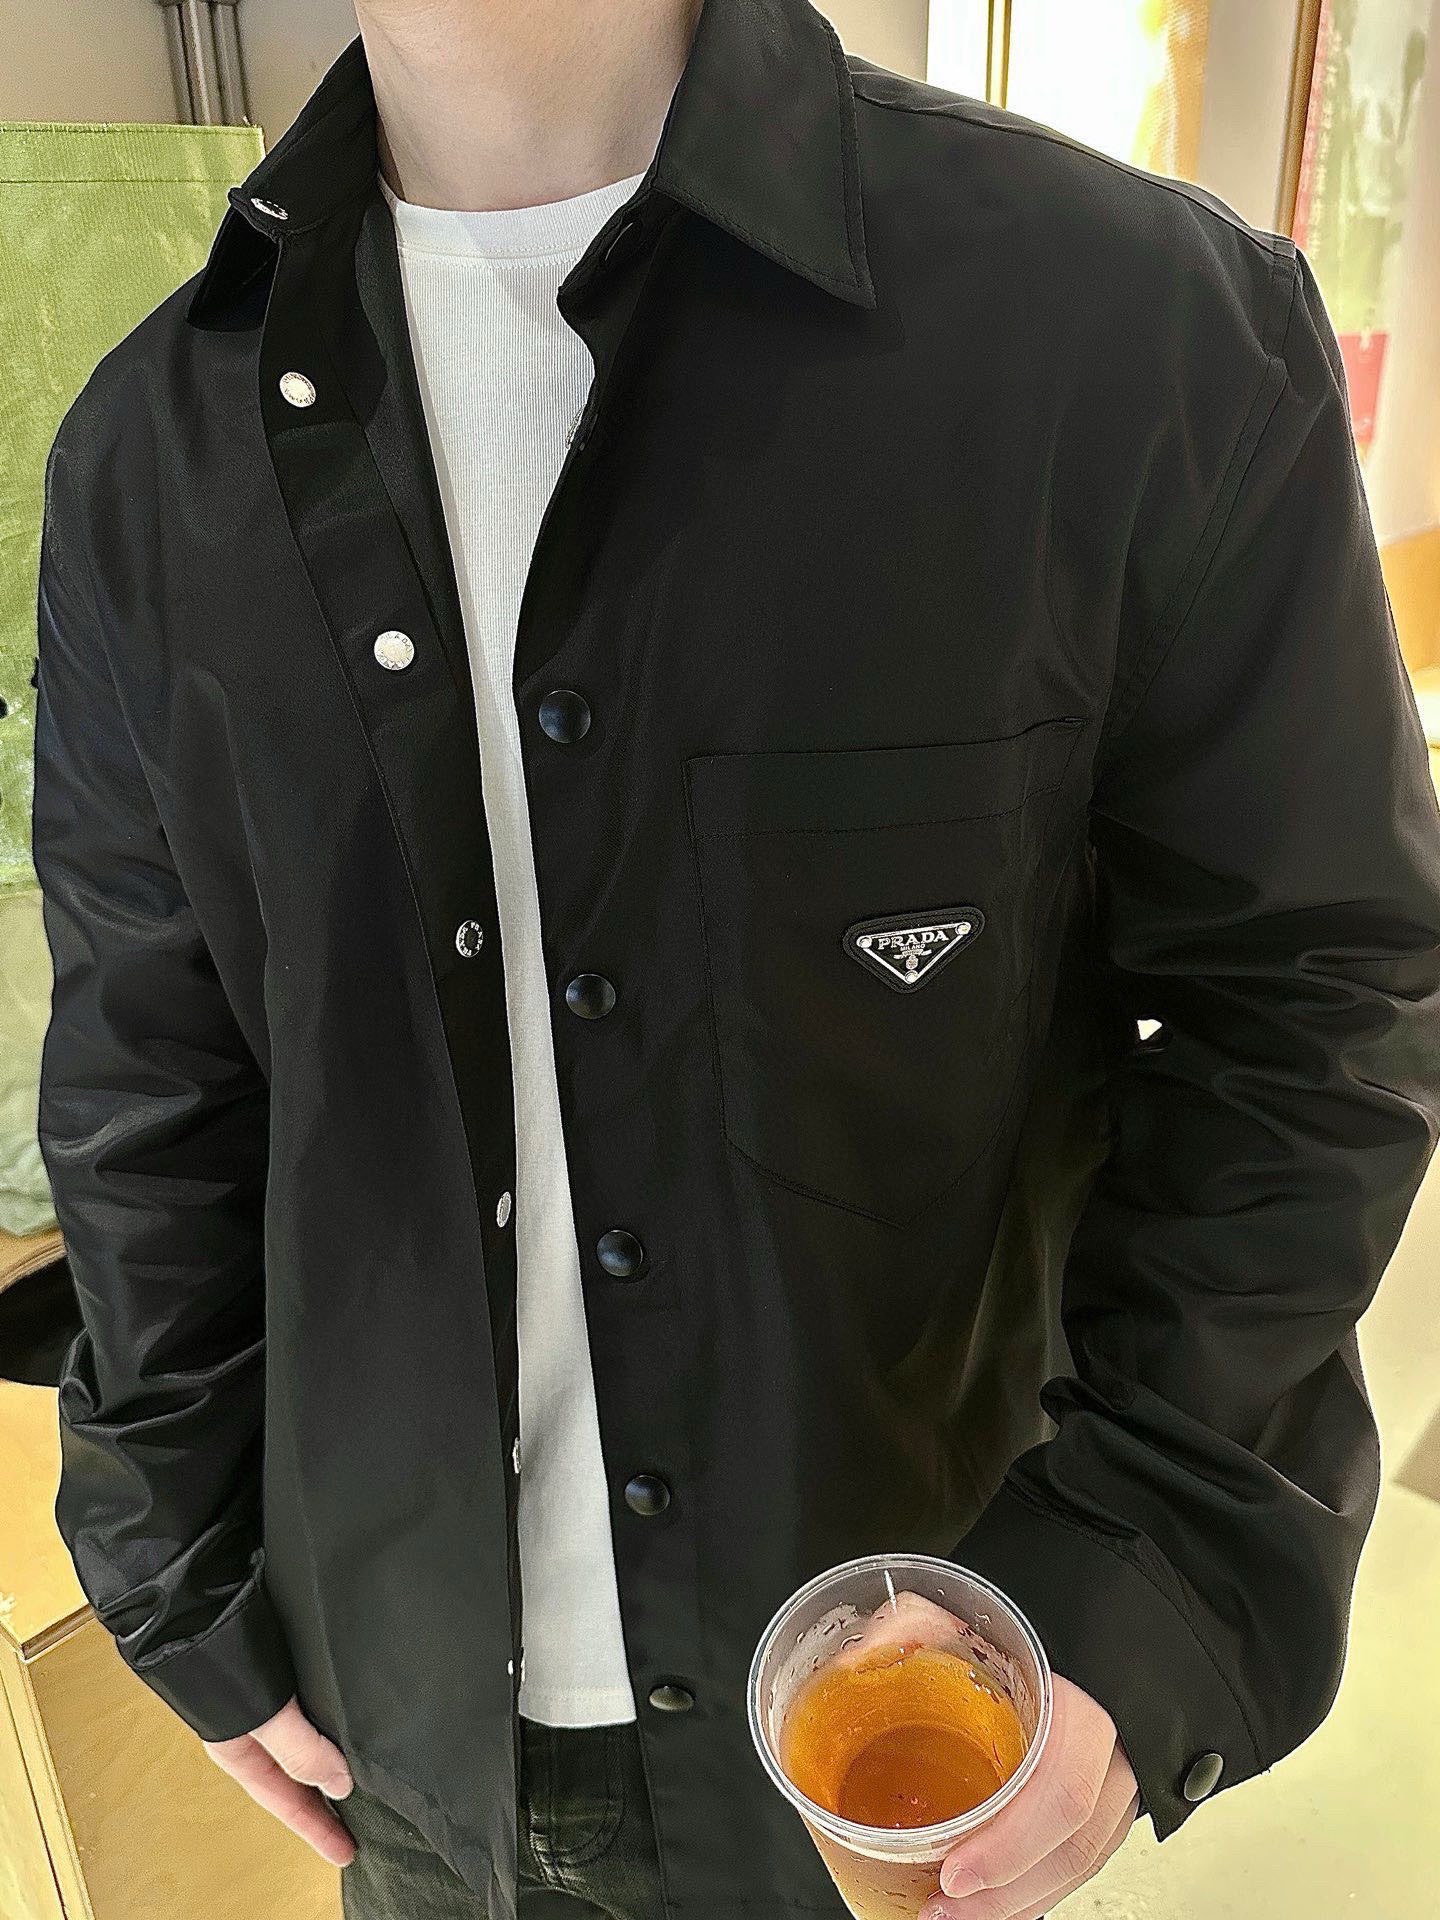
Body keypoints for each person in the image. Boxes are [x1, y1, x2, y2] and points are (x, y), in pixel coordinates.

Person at [28, 1, 1440, 1917]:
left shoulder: (1135, 336)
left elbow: (1315, 1005)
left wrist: (1145, 1565)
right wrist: (171, 1563)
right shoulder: (146, 455)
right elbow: (151, 1075)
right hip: (400, 1740)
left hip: (901, 1720)